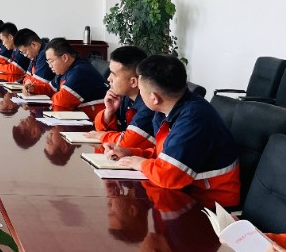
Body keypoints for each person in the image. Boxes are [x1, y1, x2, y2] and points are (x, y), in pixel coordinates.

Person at [105, 55, 240, 207]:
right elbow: (164, 155)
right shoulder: (168, 110)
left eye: (140, 90)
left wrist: (141, 164)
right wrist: (130, 153)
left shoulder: (193, 118)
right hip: (185, 194)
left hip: (210, 205)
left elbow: (169, 175)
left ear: (154, 98)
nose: (139, 95)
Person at [88, 46, 155, 151]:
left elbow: (126, 143)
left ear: (133, 82)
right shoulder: (124, 97)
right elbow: (100, 128)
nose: (108, 78)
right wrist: (109, 112)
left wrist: (102, 136)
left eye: (114, 74)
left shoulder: (149, 105)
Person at [45, 37, 108, 119]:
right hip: (81, 117)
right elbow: (50, 89)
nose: (50, 66)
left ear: (65, 58)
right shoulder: (65, 70)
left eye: (51, 61)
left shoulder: (80, 71)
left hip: (95, 120)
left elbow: (61, 103)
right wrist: (32, 88)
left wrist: (56, 96)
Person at [14, 28, 54, 96]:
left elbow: (38, 83)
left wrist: (29, 83)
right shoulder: (34, 55)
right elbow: (27, 77)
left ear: (33, 45)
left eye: (25, 52)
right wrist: (28, 82)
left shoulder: (45, 54)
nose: (25, 55)